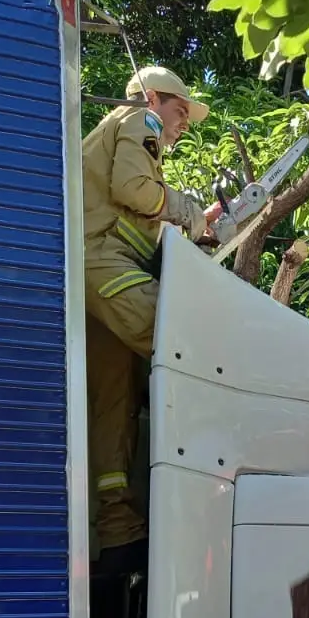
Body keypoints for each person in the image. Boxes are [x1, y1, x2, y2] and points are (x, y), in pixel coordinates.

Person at [81, 65, 212, 570]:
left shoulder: (119, 134)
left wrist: (199, 225)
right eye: (181, 112)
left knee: (114, 404)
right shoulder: (140, 119)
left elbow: (134, 211)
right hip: (103, 261)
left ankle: (118, 531)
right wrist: (186, 209)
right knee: (185, 341)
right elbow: (136, 189)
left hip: (97, 270)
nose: (183, 124)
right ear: (153, 98)